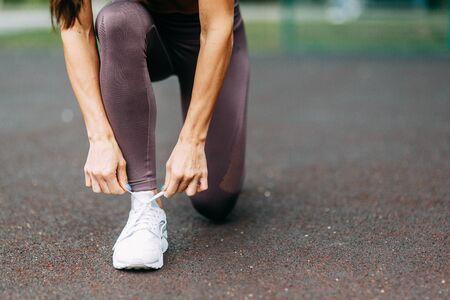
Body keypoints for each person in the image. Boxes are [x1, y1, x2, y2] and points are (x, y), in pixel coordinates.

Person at [50, 0, 250, 269]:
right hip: (142, 30)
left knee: (214, 203)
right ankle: (145, 207)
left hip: (210, 32)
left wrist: (192, 141)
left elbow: (216, 27)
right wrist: (99, 137)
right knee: (117, 20)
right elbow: (74, 28)